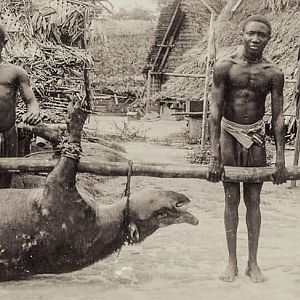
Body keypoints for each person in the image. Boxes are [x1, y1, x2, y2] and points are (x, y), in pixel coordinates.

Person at [207, 15, 287, 283]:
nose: (255, 39)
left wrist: (280, 160)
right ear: (241, 33)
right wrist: (214, 154)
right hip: (229, 137)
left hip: (255, 139)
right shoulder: (224, 66)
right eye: (251, 33)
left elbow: (277, 117)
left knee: (253, 201)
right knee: (231, 200)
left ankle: (253, 262)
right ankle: (232, 261)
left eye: (261, 35)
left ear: (268, 39)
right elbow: (215, 111)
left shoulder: (273, 73)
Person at [0, 25, 41, 188]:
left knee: (3, 183)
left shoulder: (16, 72)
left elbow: (31, 101)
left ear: (4, 43)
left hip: (5, 136)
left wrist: (33, 112)